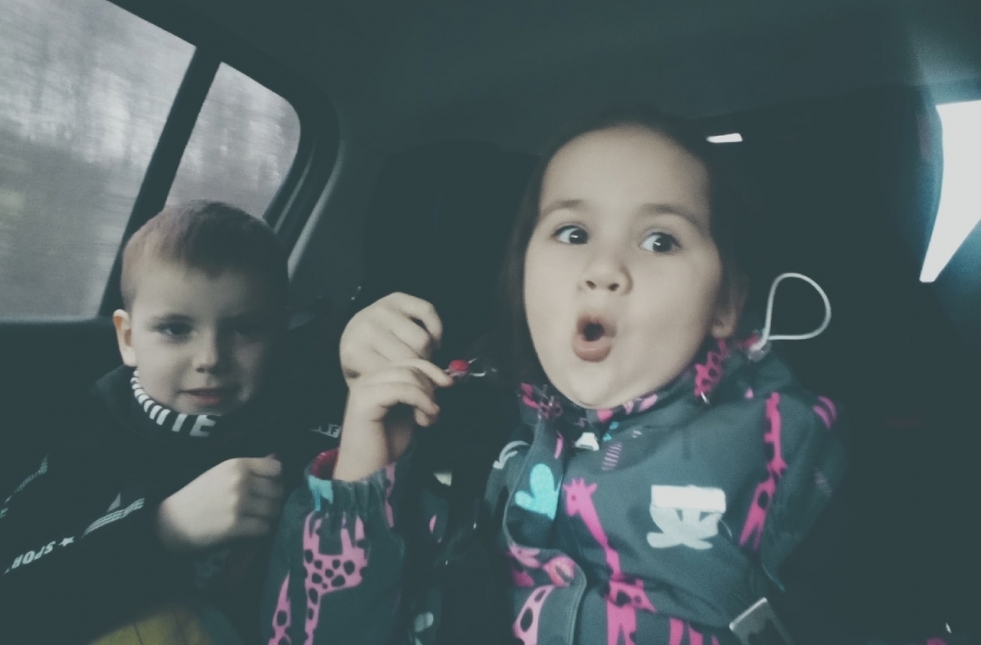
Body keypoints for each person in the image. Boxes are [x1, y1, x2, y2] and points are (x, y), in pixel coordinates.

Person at [262, 108, 850, 644]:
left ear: (726, 303)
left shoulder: (783, 446)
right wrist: (365, 463)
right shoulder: (463, 423)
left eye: (659, 240)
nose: (604, 269)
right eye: (573, 233)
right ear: (524, 277)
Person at [0, 201, 340, 645]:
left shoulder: (306, 433)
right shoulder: (89, 440)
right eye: (176, 329)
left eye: (244, 329)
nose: (210, 359)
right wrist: (164, 530)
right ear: (128, 339)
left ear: (279, 330)